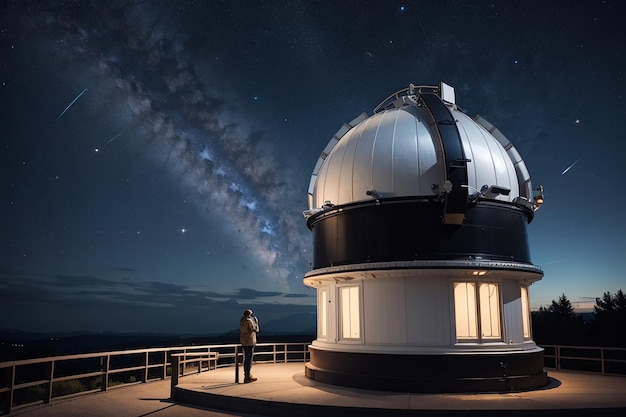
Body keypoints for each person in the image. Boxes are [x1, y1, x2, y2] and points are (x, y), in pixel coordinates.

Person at [239, 309, 259, 383]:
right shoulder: (249, 321)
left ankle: (247, 375)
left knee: (246, 359)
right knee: (249, 359)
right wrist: (256, 322)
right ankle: (247, 376)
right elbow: (255, 329)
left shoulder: (242, 321)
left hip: (244, 342)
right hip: (250, 341)